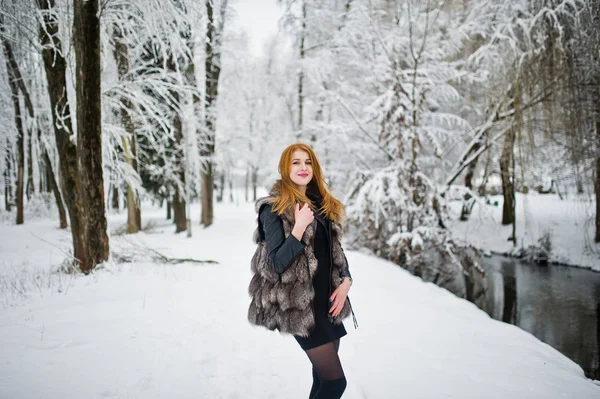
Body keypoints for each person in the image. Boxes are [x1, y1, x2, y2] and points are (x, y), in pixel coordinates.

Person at [248, 143, 357, 399]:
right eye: (295, 162)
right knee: (335, 384)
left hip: (328, 303)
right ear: (285, 168)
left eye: (307, 162)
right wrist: (298, 227)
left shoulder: (321, 205)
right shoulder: (272, 208)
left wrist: (346, 281)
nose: (303, 167)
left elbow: (336, 252)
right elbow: (275, 264)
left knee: (321, 378)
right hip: (300, 309)